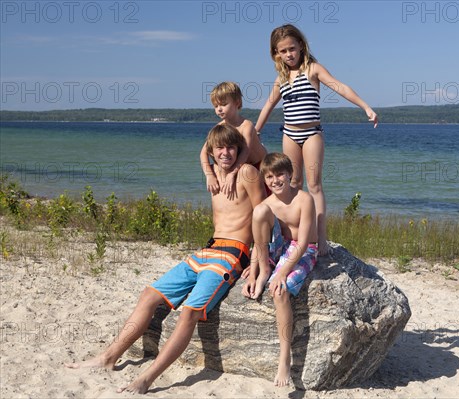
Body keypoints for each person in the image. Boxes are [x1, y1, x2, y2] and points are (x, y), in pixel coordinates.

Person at [65, 124, 265, 394]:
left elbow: (264, 217)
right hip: (207, 250)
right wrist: (208, 169)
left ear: (240, 149)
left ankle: (146, 378)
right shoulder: (214, 173)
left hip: (232, 255)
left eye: (231, 147)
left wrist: (257, 265)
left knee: (189, 312)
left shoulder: (247, 173)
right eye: (220, 148)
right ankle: (108, 358)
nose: (225, 153)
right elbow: (203, 153)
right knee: (148, 294)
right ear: (212, 151)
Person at [254, 24, 378, 256]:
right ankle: (292, 234)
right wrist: (256, 131)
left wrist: (366, 107)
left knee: (314, 185)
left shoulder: (313, 69)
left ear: (301, 45)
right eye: (283, 51)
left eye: (292, 48)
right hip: (289, 134)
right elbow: (269, 105)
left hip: (311, 134)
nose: (289, 54)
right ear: (276, 54)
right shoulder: (281, 78)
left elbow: (340, 87)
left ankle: (320, 238)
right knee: (292, 185)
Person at [241, 152, 318, 387]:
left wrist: (283, 272)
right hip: (280, 247)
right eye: (270, 176)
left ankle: (285, 358)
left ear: (290, 175)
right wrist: (254, 271)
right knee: (259, 212)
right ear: (265, 179)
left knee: (279, 291)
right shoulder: (269, 204)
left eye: (280, 175)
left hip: (303, 250)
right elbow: (259, 242)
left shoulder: (304, 199)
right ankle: (265, 271)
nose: (275, 180)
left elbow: (303, 243)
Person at [200, 81, 267, 197]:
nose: (219, 109)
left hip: (260, 167)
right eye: (216, 106)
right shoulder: (219, 128)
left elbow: (245, 152)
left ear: (237, 102)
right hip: (241, 166)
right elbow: (203, 153)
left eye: (223, 104)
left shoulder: (246, 125)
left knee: (265, 201)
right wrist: (209, 175)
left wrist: (231, 173)